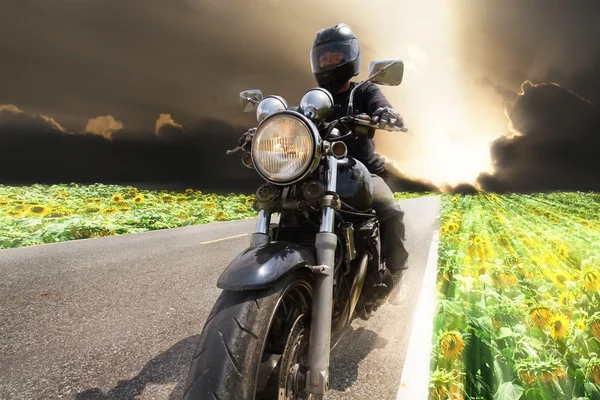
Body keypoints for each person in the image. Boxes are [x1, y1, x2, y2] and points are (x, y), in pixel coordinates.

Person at [310, 23, 410, 296]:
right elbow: (300, 120)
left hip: (364, 172)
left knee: (391, 211)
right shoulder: (316, 100)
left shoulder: (363, 91)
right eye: (324, 58)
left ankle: (396, 272)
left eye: (336, 57)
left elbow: (380, 104)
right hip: (322, 173)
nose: (329, 62)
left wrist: (387, 113)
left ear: (349, 57)